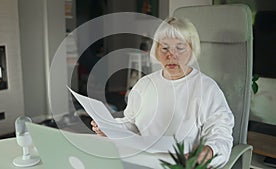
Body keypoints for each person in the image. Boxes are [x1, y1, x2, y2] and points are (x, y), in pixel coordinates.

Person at [91, 17, 234, 167]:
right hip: (142, 162)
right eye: (165, 48)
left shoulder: (207, 88)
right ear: (157, 51)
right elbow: (132, 124)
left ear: (192, 49)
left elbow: (220, 135)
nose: (171, 55)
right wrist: (110, 127)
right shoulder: (144, 84)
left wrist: (208, 152)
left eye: (180, 48)